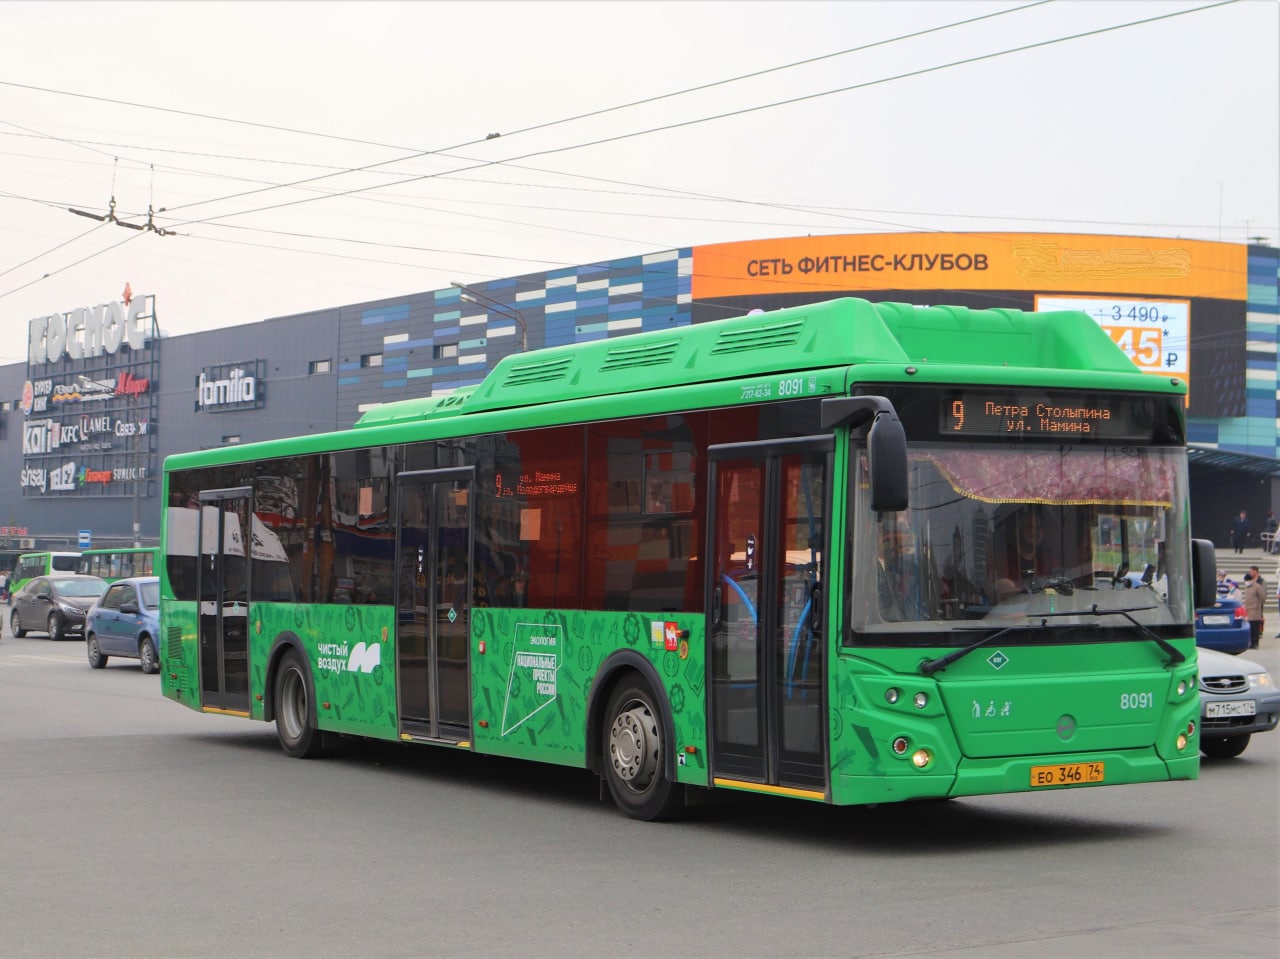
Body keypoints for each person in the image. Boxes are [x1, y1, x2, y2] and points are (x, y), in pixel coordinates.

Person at [1240, 568, 1265, 649]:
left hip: (1255, 610)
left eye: (1247, 580)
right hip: (1248, 610)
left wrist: (1258, 605)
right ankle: (1251, 643)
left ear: (1251, 580)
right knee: (1250, 627)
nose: (1246, 582)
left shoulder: (1257, 586)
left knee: (1255, 628)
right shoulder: (1247, 587)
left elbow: (1262, 597)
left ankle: (1255, 643)